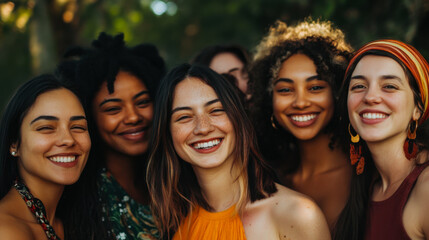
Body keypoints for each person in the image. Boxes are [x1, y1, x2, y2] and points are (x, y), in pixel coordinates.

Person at [146, 63, 330, 240]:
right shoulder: (171, 220)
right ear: (167, 133)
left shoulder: (297, 215)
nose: (203, 128)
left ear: (238, 120)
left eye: (216, 110)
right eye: (184, 117)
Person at [249, 19, 353, 230]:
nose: (301, 102)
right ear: (269, 100)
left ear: (337, 93)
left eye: (315, 87)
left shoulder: (365, 171)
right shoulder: (268, 178)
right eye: (285, 90)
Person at [60, 32, 165, 239]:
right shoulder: (76, 195)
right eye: (113, 109)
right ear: (89, 117)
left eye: (143, 102)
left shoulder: (169, 177)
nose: (133, 117)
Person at [335, 39, 429, 240]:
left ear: (417, 109)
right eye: (359, 86)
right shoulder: (366, 185)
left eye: (389, 86)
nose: (370, 97)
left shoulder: (426, 187)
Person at [0, 75, 105, 239]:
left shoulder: (74, 219)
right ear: (14, 143)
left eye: (78, 127)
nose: (68, 140)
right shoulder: (7, 230)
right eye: (46, 128)